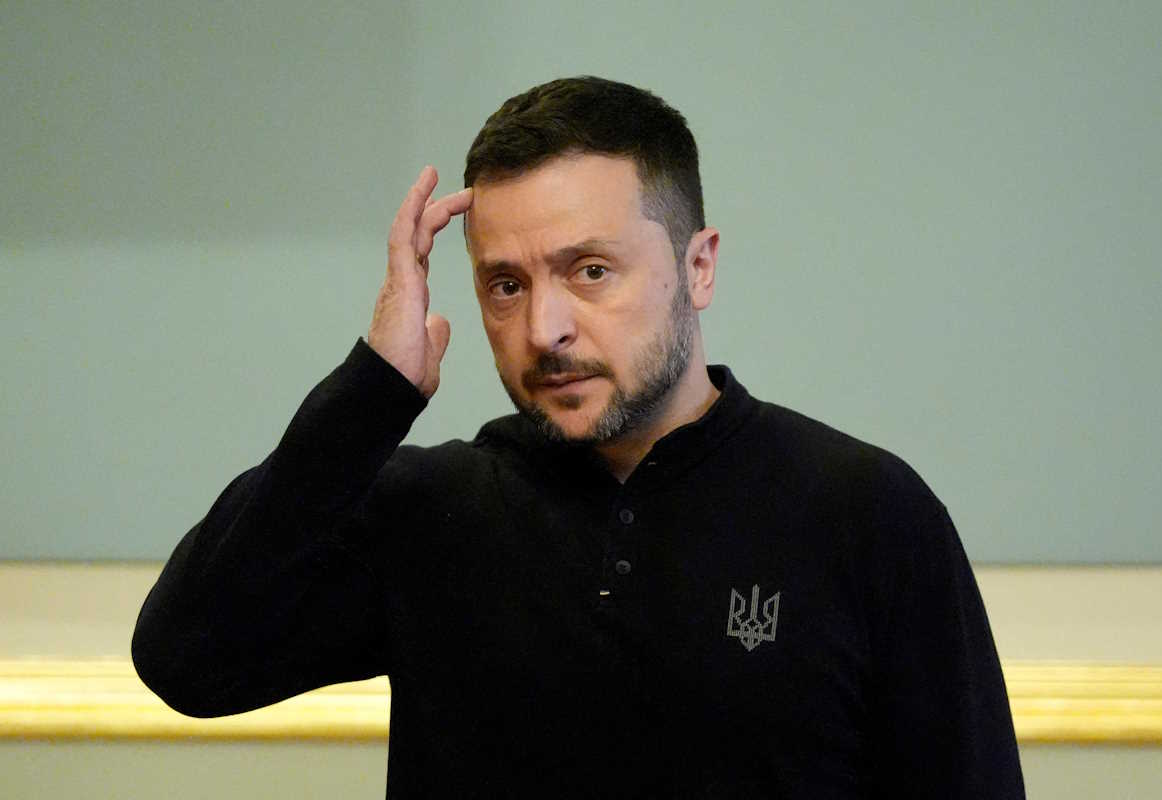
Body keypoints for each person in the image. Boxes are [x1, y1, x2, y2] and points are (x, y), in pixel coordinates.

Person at [133, 76, 1025, 798]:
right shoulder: (430, 511)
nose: (544, 327)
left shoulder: (863, 512)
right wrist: (370, 394)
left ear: (698, 265)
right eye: (505, 285)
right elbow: (187, 659)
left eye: (589, 271)